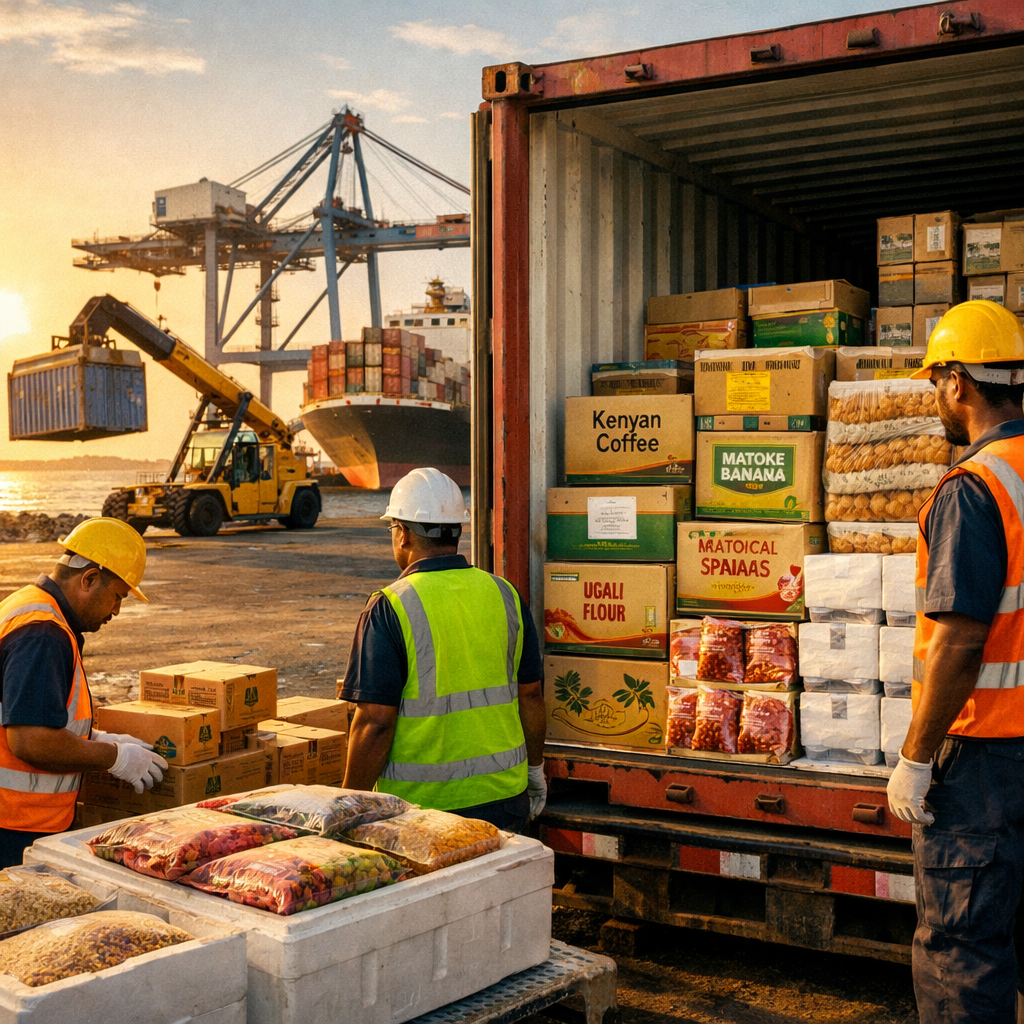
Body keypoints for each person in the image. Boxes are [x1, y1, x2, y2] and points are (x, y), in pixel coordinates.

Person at [885, 301, 1024, 1023]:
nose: (935, 396)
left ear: (959, 382)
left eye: (936, 379)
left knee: (962, 952)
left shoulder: (977, 487)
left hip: (984, 762)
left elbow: (961, 639)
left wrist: (916, 753)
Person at [340, 468, 547, 832]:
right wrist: (535, 771)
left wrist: (346, 806)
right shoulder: (505, 595)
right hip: (505, 802)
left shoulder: (389, 607)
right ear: (456, 530)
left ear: (402, 534)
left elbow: (375, 722)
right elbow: (530, 697)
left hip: (421, 814)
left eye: (393, 529)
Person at [0, 517, 168, 868]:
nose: (117, 610)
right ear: (89, 578)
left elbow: (28, 711)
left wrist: (94, 737)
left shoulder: (32, 608)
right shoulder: (43, 633)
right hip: (13, 827)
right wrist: (114, 757)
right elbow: (30, 740)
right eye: (117, 596)